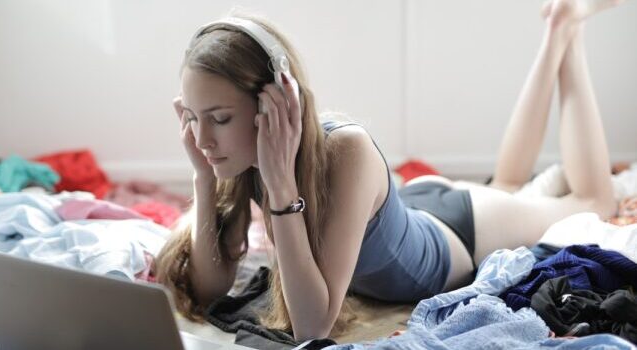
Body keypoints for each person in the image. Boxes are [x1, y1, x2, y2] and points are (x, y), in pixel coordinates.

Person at [155, 0, 622, 341]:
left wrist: (280, 188)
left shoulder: (345, 149)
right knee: (508, 184)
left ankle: (567, 28)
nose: (203, 139)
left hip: (453, 232)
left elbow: (312, 326)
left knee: (592, 202)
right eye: (193, 118)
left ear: (272, 103)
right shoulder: (243, 156)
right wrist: (203, 176)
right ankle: (558, 31)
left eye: (218, 119)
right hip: (396, 211)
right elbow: (209, 286)